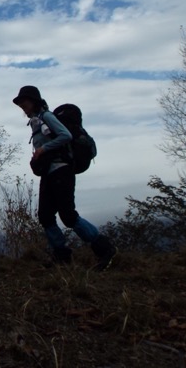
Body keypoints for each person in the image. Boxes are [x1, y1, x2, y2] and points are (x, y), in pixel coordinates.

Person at [13, 85, 116, 270]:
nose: (22, 106)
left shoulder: (47, 117)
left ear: (33, 101)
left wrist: (43, 149)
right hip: (49, 172)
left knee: (68, 215)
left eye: (24, 102)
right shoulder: (37, 121)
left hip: (61, 170)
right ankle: (61, 256)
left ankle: (104, 248)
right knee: (45, 216)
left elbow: (65, 135)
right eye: (20, 103)